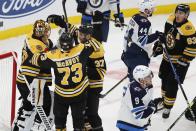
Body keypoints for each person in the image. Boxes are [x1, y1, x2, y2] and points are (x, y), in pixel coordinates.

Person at [31, 28, 101, 131]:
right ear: (72, 43)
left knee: (60, 123)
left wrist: (52, 49)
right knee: (79, 124)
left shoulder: (53, 55)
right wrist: (76, 30)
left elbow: (34, 59)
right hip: (79, 95)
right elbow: (96, 43)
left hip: (62, 96)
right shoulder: (81, 49)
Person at [47, 14, 106, 131]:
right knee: (82, 117)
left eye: (85, 35)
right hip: (81, 85)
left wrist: (84, 70)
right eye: (81, 34)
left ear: (90, 35)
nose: (81, 37)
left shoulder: (96, 49)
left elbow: (100, 72)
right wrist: (60, 21)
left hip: (93, 85)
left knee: (91, 114)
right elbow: (72, 29)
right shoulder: (82, 39)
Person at [12, 20, 53, 131]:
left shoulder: (30, 36)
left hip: (22, 79)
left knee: (27, 106)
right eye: (45, 32)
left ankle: (18, 126)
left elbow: (48, 45)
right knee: (46, 103)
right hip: (32, 82)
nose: (46, 34)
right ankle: (38, 126)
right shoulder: (37, 46)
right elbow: (45, 59)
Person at [157, 4, 196, 119]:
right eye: (177, 12)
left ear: (187, 15)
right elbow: (166, 36)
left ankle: (168, 108)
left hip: (179, 63)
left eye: (182, 13)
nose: (178, 15)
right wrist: (160, 44)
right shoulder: (170, 19)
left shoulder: (188, 29)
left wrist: (183, 61)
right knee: (163, 80)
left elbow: (193, 48)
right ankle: (164, 101)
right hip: (166, 59)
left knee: (172, 85)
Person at [121, 0, 163, 81]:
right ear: (146, 10)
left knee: (133, 82)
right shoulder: (145, 22)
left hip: (128, 53)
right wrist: (157, 35)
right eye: (151, 9)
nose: (153, 10)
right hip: (138, 56)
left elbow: (136, 34)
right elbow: (143, 41)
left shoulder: (135, 16)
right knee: (141, 84)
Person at [116, 65, 157, 131]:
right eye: (148, 77)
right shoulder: (134, 90)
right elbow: (139, 114)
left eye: (150, 75)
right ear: (141, 79)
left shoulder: (147, 86)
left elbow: (145, 102)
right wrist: (153, 107)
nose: (151, 77)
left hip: (136, 124)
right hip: (128, 125)